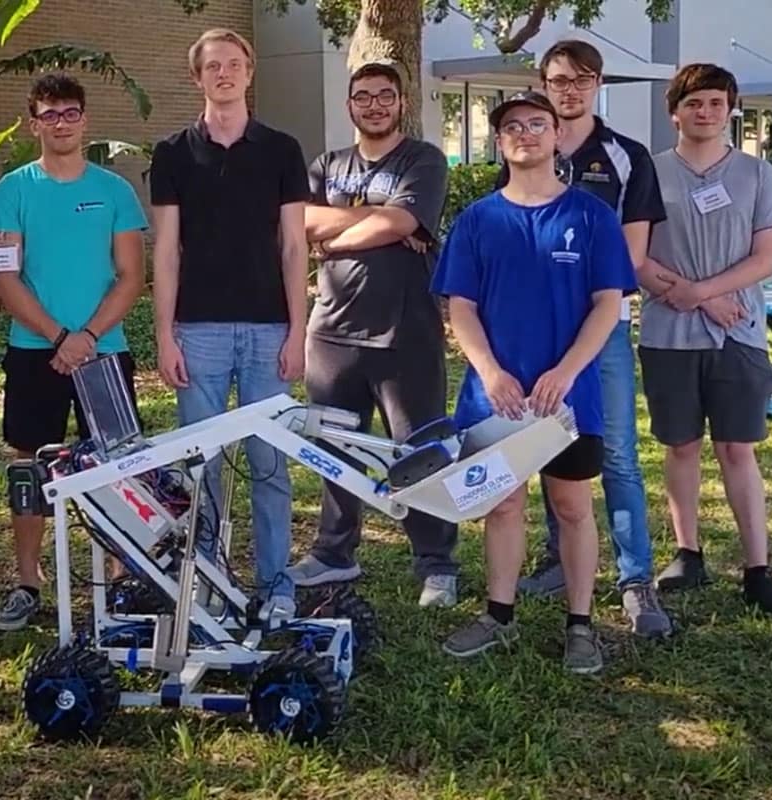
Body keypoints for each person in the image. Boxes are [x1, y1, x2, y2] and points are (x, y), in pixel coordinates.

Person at [431, 91, 637, 674]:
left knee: (571, 507)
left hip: (570, 399)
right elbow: (461, 307)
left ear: (555, 136)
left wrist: (567, 371)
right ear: (500, 143)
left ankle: (580, 624)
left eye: (537, 124)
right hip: (494, 395)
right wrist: (491, 372)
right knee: (502, 505)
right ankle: (498, 614)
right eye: (513, 126)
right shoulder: (477, 220)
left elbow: (606, 306)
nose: (525, 133)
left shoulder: (591, 217)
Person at [506, 40, 673, 639]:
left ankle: (636, 581)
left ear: (598, 84)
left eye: (580, 80)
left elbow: (630, 257)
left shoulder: (625, 157)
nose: (568, 89)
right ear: (543, 84)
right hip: (536, 335)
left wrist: (582, 301)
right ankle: (558, 561)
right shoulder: (524, 146)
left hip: (600, 334)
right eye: (556, 80)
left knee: (619, 456)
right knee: (549, 448)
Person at [149, 28, 310, 621]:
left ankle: (276, 586)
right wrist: (163, 333)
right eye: (212, 66)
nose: (224, 74)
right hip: (199, 331)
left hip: (270, 331)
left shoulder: (282, 150)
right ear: (198, 78)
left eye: (234, 64)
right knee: (202, 468)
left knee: (270, 464)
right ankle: (209, 580)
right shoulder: (171, 154)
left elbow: (295, 247)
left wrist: (298, 329)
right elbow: (166, 252)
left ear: (249, 73)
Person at [290, 61, 460, 607]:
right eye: (363, 97)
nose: (374, 105)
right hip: (332, 333)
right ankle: (334, 554)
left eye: (385, 96)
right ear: (350, 106)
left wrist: (338, 234)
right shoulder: (326, 164)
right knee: (335, 448)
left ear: (401, 102)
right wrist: (375, 219)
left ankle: (436, 562)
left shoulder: (424, 160)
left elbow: (401, 224)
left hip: (404, 331)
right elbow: (300, 224)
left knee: (419, 449)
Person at [0, 74, 148, 631]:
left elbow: (131, 277)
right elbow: (4, 280)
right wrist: (59, 337)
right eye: (49, 114)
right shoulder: (12, 191)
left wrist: (86, 338)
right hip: (35, 352)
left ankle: (124, 581)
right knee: (28, 467)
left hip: (104, 352)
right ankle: (28, 583)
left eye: (69, 112)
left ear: (85, 119)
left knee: (117, 464)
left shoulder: (114, 191)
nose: (61, 122)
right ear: (34, 124)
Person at [638, 64, 772, 620]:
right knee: (680, 446)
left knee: (737, 449)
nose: (703, 112)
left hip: (740, 333)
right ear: (673, 111)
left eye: (714, 102)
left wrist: (704, 291)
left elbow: (764, 257)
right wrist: (701, 297)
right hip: (668, 334)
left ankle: (758, 569)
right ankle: (688, 552)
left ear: (730, 109)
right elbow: (635, 257)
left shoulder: (757, 175)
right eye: (693, 103)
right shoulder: (648, 174)